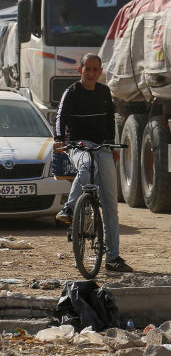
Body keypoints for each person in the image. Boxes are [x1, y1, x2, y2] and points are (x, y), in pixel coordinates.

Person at [55, 53, 132, 273]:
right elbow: (59, 118)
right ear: (80, 70)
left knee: (110, 204)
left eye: (94, 70)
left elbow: (110, 121)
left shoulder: (104, 92)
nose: (90, 74)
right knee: (87, 165)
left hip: (103, 147)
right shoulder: (71, 93)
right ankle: (70, 209)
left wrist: (112, 146)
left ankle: (113, 257)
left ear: (100, 71)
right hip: (77, 145)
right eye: (86, 69)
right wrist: (59, 140)